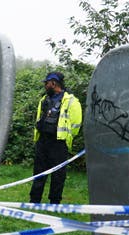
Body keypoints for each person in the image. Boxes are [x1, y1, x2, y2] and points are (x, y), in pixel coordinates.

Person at [29, 71, 82, 204]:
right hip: (43, 141)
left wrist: (66, 136)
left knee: (58, 175)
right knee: (39, 172)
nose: (45, 86)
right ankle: (34, 200)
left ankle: (54, 202)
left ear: (54, 83)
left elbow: (76, 124)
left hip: (59, 143)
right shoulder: (44, 99)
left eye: (46, 83)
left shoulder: (71, 101)